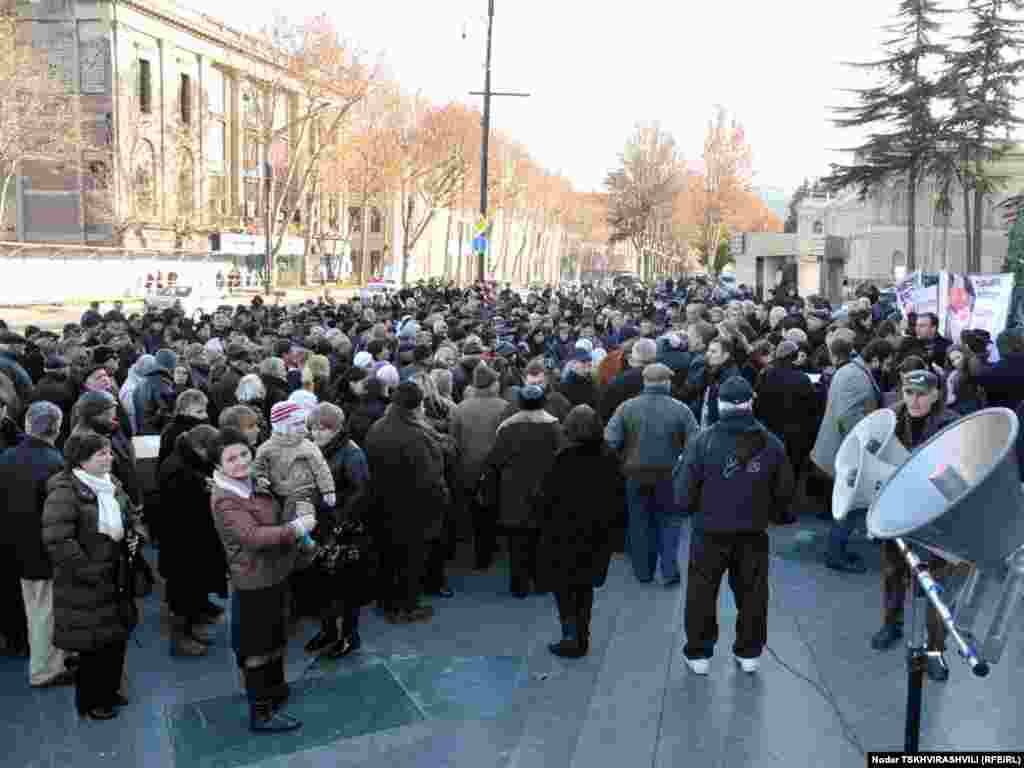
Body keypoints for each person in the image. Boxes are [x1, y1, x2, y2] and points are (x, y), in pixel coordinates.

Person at [673, 376, 795, 675]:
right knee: (753, 594)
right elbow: (785, 493)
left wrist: (691, 509)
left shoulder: (703, 441)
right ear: (750, 402)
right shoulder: (771, 443)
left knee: (701, 593)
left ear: (720, 404)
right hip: (752, 532)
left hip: (709, 531)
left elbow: (683, 494)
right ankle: (749, 652)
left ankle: (699, 654)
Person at [209, 427, 315, 732]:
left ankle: (274, 692)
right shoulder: (226, 499)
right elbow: (252, 537)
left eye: (244, 453)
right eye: (231, 458)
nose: (241, 462)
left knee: (275, 637)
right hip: (254, 580)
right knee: (257, 647)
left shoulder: (252, 483)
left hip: (275, 573)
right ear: (218, 466)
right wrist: (297, 528)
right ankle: (261, 713)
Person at [42, 432, 147, 719]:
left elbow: (130, 516)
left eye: (109, 452)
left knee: (114, 639)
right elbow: (58, 541)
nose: (109, 457)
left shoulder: (111, 484)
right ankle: (91, 701)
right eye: (101, 454)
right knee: (92, 646)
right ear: (81, 460)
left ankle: (110, 692)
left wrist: (134, 534)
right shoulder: (64, 491)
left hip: (116, 576)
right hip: (85, 583)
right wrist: (89, 570)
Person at [871, 370, 960, 682]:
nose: (914, 400)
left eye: (921, 394)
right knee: (893, 574)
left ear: (936, 395)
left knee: (936, 588)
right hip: (898, 514)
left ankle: (935, 650)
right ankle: (891, 624)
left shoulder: (952, 424)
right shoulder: (890, 420)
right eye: (908, 392)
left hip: (936, 519)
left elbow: (955, 479)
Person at [535, 405, 623, 658]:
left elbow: (546, 498)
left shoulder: (562, 459)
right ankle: (582, 636)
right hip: (596, 537)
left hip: (562, 535)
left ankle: (570, 635)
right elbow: (617, 500)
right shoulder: (609, 457)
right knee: (585, 590)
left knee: (564, 588)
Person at [604, 362, 698, 585]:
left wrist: (623, 462)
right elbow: (695, 445)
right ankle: (668, 571)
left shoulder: (626, 407)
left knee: (639, 523)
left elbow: (610, 441)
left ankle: (643, 572)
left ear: (645, 382)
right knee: (669, 523)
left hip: (635, 476)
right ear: (666, 383)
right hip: (670, 477)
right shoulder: (681, 409)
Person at [364, 381, 450, 623]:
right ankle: (407, 607)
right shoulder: (415, 435)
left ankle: (387, 602)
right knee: (411, 560)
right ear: (417, 405)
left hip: (382, 504)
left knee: (388, 556)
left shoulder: (378, 427)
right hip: (413, 508)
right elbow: (430, 476)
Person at [0, 402, 72, 686]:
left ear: (28, 424)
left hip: (12, 546)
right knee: (45, 610)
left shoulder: (6, 457)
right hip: (41, 550)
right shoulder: (55, 463)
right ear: (57, 428)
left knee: (35, 606)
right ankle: (45, 670)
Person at [484, 384, 565, 597]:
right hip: (545, 491)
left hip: (514, 492)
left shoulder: (507, 428)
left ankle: (519, 586)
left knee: (517, 542)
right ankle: (542, 582)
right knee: (543, 539)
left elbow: (494, 460)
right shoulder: (554, 427)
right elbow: (563, 459)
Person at [157, 424, 226, 657]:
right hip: (182, 542)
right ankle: (180, 639)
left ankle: (190, 627)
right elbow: (182, 507)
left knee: (190, 588)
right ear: (199, 447)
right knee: (182, 592)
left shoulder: (184, 462)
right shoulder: (178, 469)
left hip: (190, 539)